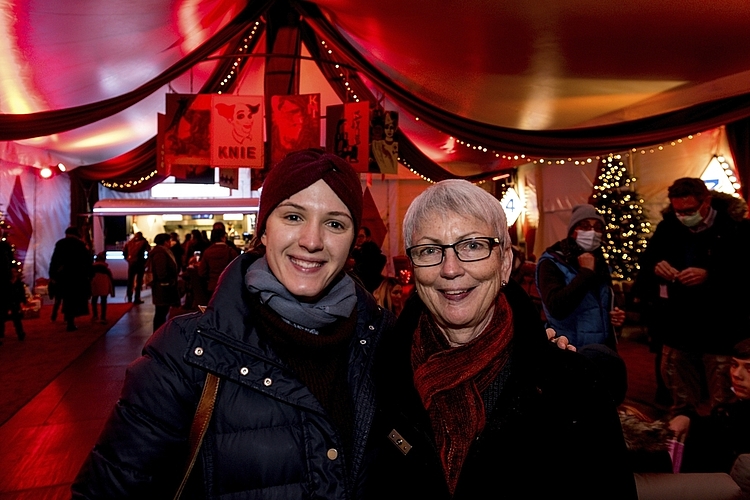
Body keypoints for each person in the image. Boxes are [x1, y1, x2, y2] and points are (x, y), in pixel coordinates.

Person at [72, 149, 396, 498]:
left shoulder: (383, 339)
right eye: (292, 216)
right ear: (265, 231)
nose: (312, 241)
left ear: (352, 240)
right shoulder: (185, 353)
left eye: (334, 223)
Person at [365, 179, 637, 499]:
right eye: (429, 250)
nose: (450, 268)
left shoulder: (570, 384)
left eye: (473, 245)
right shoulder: (380, 376)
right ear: (412, 266)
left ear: (505, 263)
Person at [633, 178, 750, 441]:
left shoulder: (736, 230)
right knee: (680, 403)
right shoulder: (668, 227)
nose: (683, 216)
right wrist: (656, 268)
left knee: (726, 402)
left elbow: (744, 277)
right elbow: (647, 266)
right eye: (678, 211)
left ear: (706, 202)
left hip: (721, 332)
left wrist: (710, 275)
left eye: (689, 210)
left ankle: (725, 452)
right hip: (678, 330)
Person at [535, 203, 625, 350]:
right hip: (569, 348)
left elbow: (603, 303)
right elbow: (556, 308)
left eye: (597, 227)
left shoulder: (600, 262)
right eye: (584, 226)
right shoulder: (552, 262)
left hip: (601, 348)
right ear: (572, 230)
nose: (592, 232)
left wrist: (615, 315)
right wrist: (585, 273)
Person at [677, 338, 750, 478]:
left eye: (749, 369)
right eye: (734, 365)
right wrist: (688, 419)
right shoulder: (733, 411)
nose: (736, 374)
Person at [49, 226, 92, 332]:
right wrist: (89, 275)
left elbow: (54, 260)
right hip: (77, 276)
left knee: (62, 297)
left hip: (63, 276)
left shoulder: (60, 244)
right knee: (73, 299)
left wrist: (53, 275)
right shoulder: (80, 245)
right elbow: (87, 262)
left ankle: (57, 315)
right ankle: (70, 321)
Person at [147, 232, 180, 332]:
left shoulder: (161, 251)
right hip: (162, 287)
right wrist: (168, 281)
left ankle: (158, 335)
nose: (171, 242)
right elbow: (161, 271)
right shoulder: (160, 253)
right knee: (161, 313)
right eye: (169, 240)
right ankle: (157, 335)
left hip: (162, 287)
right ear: (165, 242)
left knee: (161, 312)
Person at [197, 226, 240, 300]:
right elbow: (238, 270)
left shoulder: (207, 252)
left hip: (212, 287)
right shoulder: (231, 251)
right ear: (223, 237)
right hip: (228, 286)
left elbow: (201, 272)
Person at [0, 236, 25, 342]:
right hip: (5, 281)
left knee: (12, 307)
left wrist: (14, 276)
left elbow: (12, 262)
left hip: (7, 281)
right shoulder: (4, 247)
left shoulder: (4, 246)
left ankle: (20, 332)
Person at [122, 231, 150, 305]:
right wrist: (146, 261)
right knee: (139, 281)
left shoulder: (129, 242)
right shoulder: (144, 242)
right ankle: (137, 298)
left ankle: (129, 298)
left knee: (130, 281)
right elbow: (149, 251)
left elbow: (124, 252)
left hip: (131, 264)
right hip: (140, 263)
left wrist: (128, 259)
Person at [90, 251, 115, 324]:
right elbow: (111, 281)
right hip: (104, 287)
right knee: (103, 300)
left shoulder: (92, 268)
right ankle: (103, 317)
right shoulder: (106, 269)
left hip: (94, 286)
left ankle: (95, 315)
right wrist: (112, 292)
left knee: (94, 299)